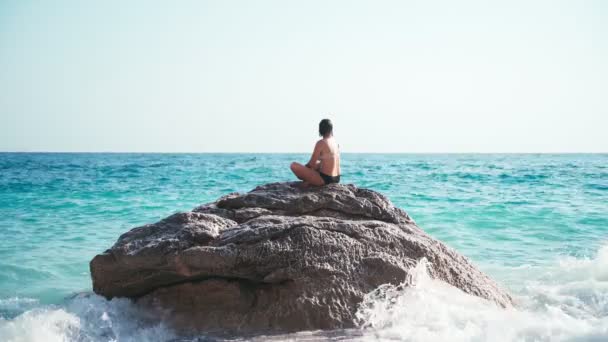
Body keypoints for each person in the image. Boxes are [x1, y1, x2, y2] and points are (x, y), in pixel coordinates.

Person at [290, 119, 341, 186]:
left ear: (320, 130)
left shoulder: (321, 143)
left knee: (293, 165)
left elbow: (311, 164)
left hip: (326, 179)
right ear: (331, 129)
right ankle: (310, 180)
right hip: (337, 178)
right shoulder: (335, 142)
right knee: (318, 163)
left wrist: (304, 170)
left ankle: (310, 181)